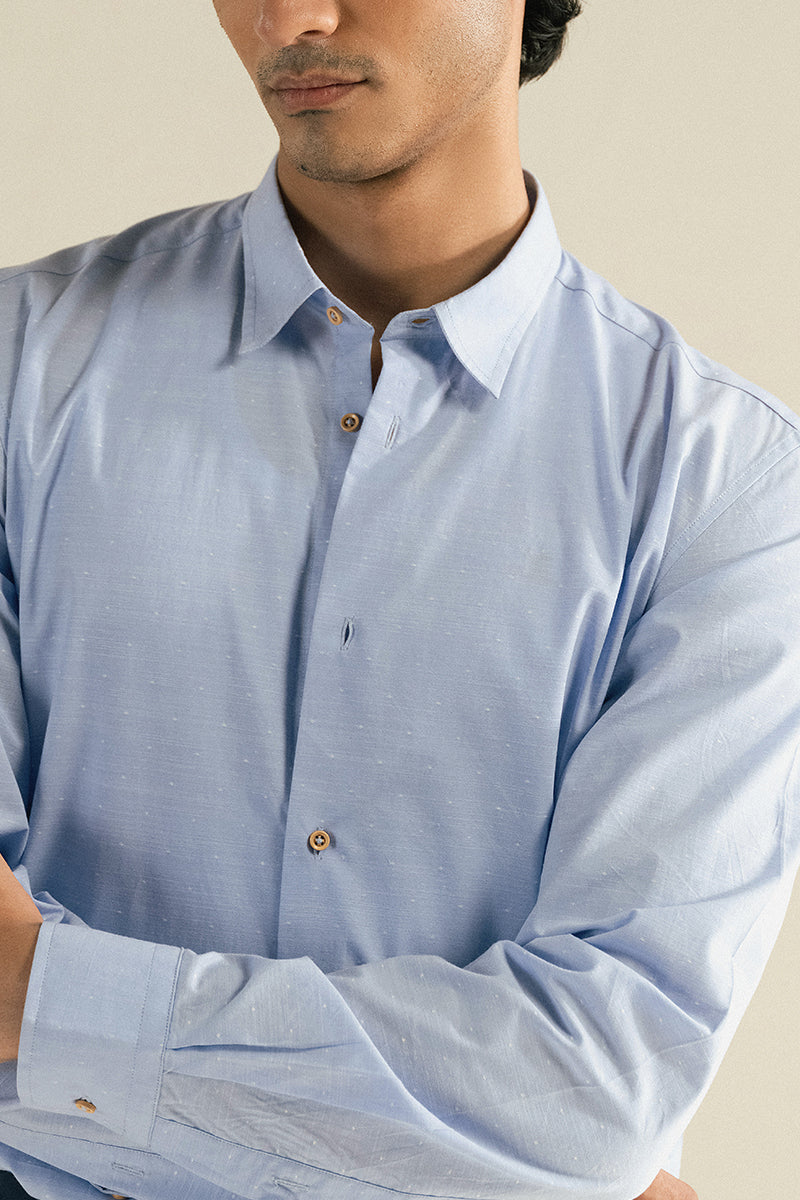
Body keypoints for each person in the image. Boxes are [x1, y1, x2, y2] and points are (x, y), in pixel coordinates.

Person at [0, 0, 798, 1196]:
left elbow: (593, 1091)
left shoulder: (724, 483)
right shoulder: (17, 368)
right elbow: (564, 1138)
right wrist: (490, 1153)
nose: (286, 17)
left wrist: (49, 1009)